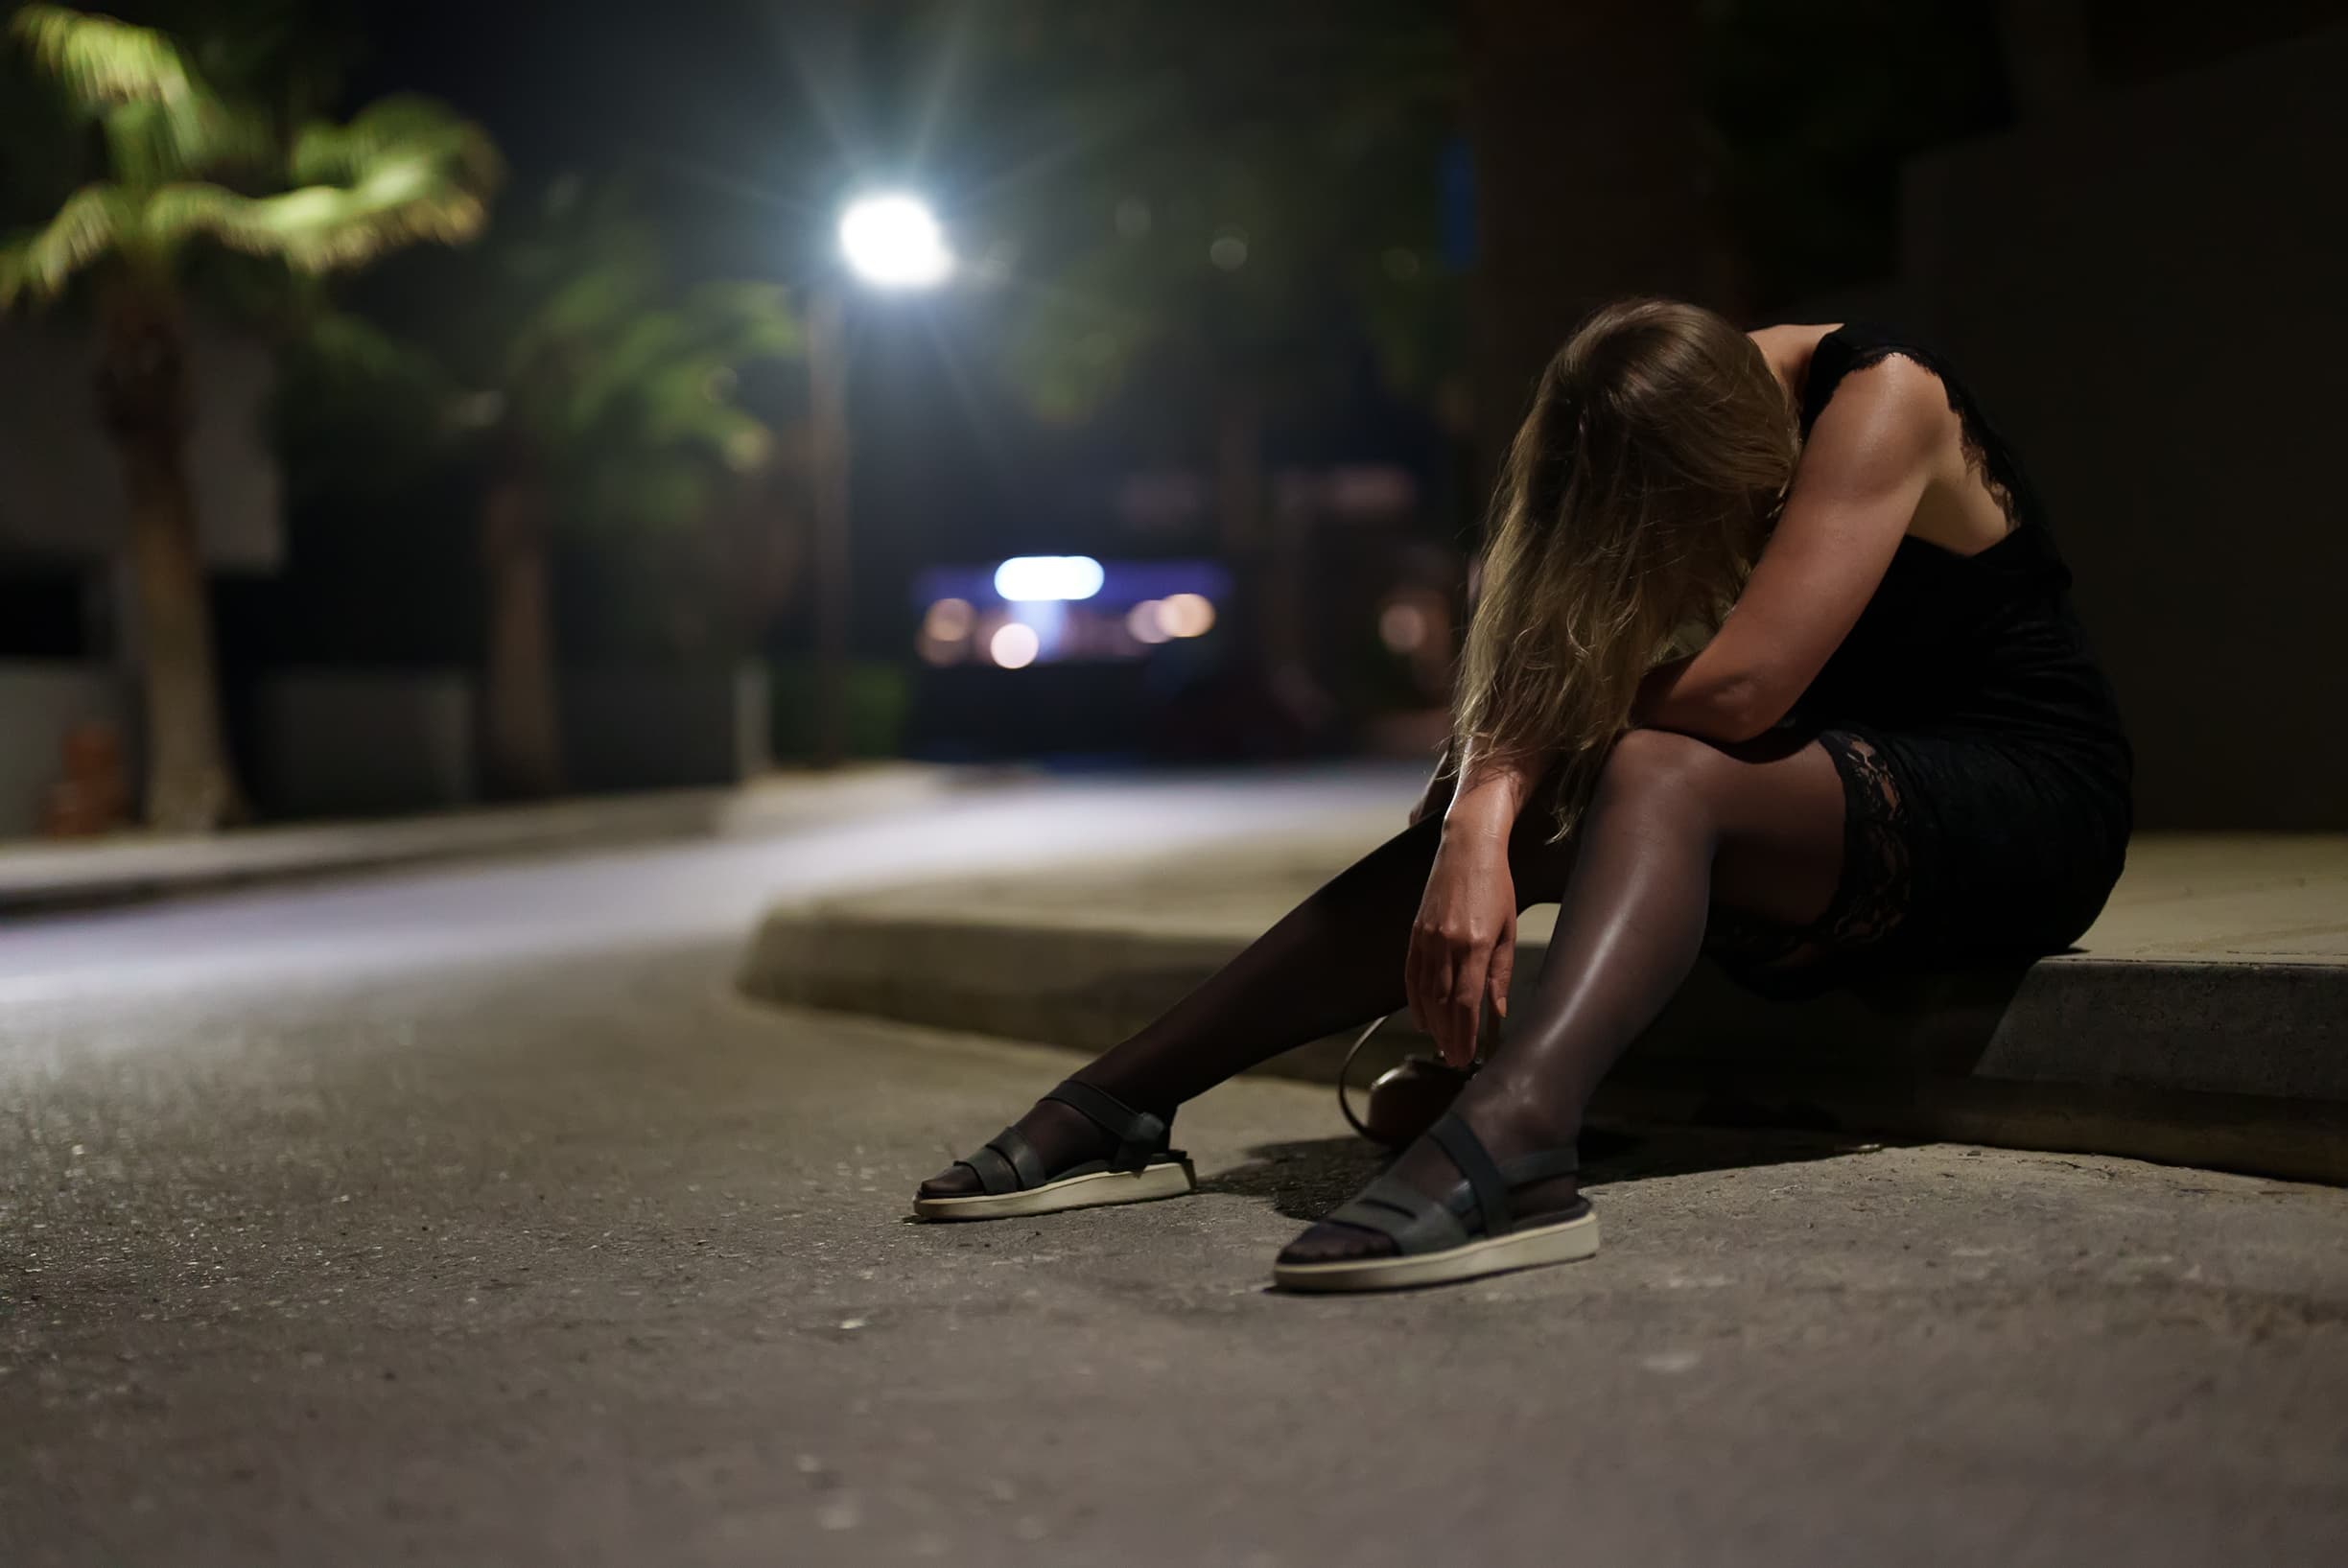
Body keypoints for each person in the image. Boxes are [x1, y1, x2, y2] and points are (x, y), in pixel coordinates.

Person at [911, 299, 2134, 1294]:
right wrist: (1476, 829)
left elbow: (1744, 689)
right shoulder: (1653, 417)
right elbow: (1562, 665)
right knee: (1576, 781)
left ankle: (1520, 1139)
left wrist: (1502, 791)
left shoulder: (1882, 400)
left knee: (1656, 762)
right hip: (1824, 804)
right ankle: (1127, 1098)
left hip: (2017, 805)